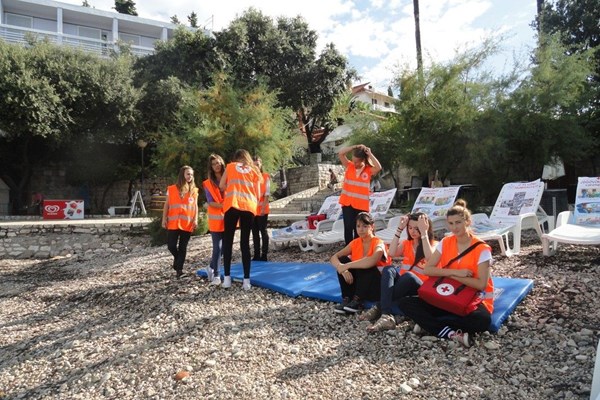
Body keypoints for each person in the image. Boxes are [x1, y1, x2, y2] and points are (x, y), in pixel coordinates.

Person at [396, 199, 494, 348]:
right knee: (406, 303)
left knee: (483, 321)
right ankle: (448, 332)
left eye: (458, 222)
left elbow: (481, 284)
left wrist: (452, 275)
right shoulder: (446, 242)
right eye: (451, 223)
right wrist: (455, 273)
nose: (455, 227)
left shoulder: (482, 249)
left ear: (467, 222)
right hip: (445, 294)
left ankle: (431, 325)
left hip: (469, 298)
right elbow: (428, 269)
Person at [361, 212, 436, 332]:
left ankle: (379, 306)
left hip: (420, 287)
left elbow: (430, 258)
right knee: (388, 269)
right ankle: (386, 315)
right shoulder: (407, 243)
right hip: (403, 284)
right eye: (410, 228)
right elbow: (391, 253)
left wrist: (424, 233)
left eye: (417, 228)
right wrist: (399, 229)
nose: (413, 231)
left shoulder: (433, 245)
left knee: (408, 276)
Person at [330, 212, 391, 314]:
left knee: (366, 265)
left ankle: (358, 301)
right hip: (360, 284)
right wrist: (342, 268)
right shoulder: (355, 242)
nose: (361, 229)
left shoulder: (378, 242)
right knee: (343, 260)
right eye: (358, 226)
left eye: (364, 226)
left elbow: (372, 260)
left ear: (372, 227)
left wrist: (347, 266)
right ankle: (348, 299)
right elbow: (334, 257)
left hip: (376, 286)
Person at [220, 149, 263, 290]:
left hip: (232, 204)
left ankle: (227, 278)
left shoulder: (230, 166)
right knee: (245, 243)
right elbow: (258, 193)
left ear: (236, 158)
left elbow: (221, 185)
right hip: (248, 207)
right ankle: (246, 281)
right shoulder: (255, 170)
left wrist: (231, 187)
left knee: (228, 241)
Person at [338, 144, 382, 245]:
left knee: (359, 228)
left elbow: (378, 167)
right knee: (348, 227)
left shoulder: (368, 170)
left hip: (361, 205)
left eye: (357, 161)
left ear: (363, 160)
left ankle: (358, 248)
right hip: (347, 203)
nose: (355, 163)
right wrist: (354, 147)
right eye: (353, 160)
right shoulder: (349, 166)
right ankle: (348, 249)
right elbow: (341, 153)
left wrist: (370, 154)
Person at [162, 166, 199, 278]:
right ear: (182, 174)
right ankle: (177, 260)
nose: (190, 176)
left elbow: (195, 206)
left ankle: (179, 270)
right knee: (171, 246)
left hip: (187, 223)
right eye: (188, 174)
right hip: (173, 222)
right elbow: (167, 205)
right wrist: (164, 218)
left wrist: (196, 219)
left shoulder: (194, 190)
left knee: (183, 247)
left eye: (191, 174)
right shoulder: (172, 189)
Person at [203, 154, 226, 286]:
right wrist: (226, 205)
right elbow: (210, 202)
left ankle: (211, 266)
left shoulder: (229, 178)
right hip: (216, 219)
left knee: (224, 247)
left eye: (218, 163)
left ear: (222, 163)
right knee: (217, 247)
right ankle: (216, 275)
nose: (216, 165)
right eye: (214, 164)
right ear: (211, 167)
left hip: (228, 218)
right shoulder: (208, 183)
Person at [252, 156, 270, 261]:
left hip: (262, 209)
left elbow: (267, 195)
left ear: (261, 164)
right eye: (254, 165)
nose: (256, 167)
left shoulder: (265, 177)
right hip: (252, 210)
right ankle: (256, 254)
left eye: (257, 165)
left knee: (263, 231)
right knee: (254, 232)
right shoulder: (250, 178)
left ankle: (264, 254)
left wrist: (263, 208)